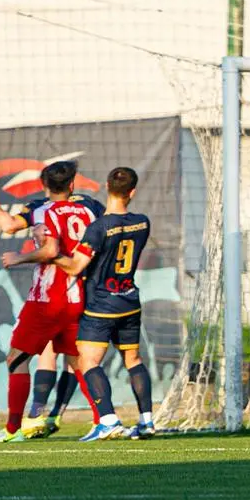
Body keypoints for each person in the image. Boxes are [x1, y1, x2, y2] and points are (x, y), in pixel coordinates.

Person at [0, 162, 97, 443]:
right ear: (72, 185)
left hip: (47, 299)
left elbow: (10, 226)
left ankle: (14, 428)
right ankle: (104, 419)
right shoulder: (89, 208)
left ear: (44, 186)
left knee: (16, 359)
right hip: (78, 297)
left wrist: (19, 257)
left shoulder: (42, 210)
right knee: (79, 362)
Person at [54, 167, 154, 441]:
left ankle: (108, 420)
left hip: (101, 305)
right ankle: (147, 421)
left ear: (106, 186)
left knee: (87, 361)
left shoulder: (99, 228)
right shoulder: (143, 222)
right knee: (133, 359)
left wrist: (52, 256)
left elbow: (75, 267)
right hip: (130, 301)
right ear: (132, 192)